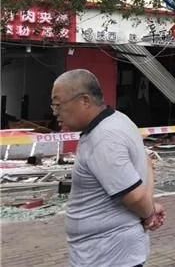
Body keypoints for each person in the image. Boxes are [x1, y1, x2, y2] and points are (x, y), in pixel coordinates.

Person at [51, 69, 165, 267]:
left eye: (58, 104)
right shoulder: (118, 119)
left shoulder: (103, 138)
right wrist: (150, 207)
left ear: (84, 101)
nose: (54, 112)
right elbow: (146, 162)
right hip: (109, 252)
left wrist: (148, 214)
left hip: (107, 256)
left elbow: (135, 197)